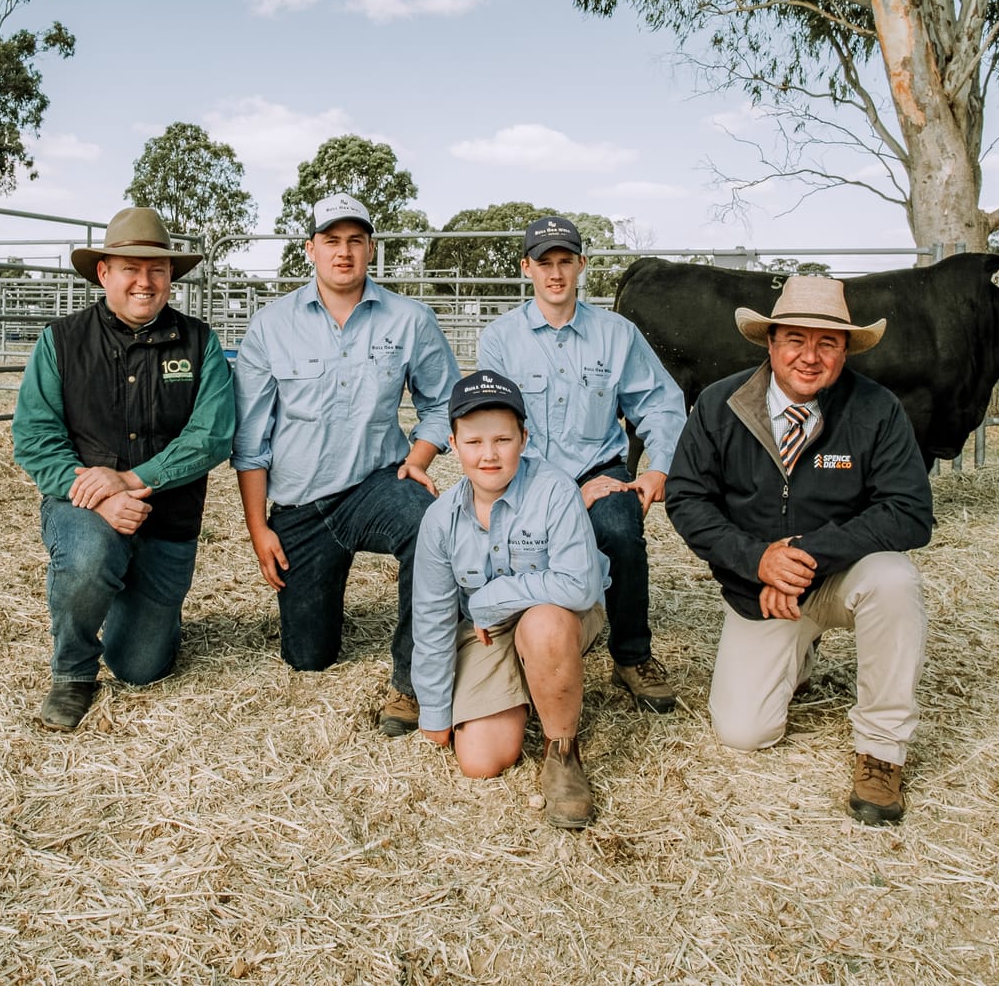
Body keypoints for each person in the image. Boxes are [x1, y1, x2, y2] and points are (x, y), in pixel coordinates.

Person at [665, 275, 934, 824]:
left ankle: (882, 751)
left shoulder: (876, 409)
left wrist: (805, 555)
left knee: (894, 579)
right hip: (762, 590)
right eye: (795, 339)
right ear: (770, 342)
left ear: (845, 349)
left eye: (827, 343)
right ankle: (799, 653)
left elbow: (910, 511)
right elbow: (686, 499)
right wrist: (756, 563)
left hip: (840, 578)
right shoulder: (720, 405)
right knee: (744, 732)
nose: (809, 357)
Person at [232, 193, 462, 735]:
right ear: (309, 249)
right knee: (309, 657)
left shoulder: (409, 319)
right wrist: (257, 526)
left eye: (355, 241)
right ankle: (320, 602)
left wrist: (419, 458)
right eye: (331, 241)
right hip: (298, 505)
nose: (343, 252)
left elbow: (443, 404)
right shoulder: (271, 326)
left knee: (432, 523)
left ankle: (413, 684)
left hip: (375, 484)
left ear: (371, 249)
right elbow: (251, 438)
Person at [12, 206, 236, 732]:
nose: (145, 281)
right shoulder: (62, 341)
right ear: (103, 272)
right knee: (90, 554)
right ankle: (72, 673)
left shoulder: (200, 343)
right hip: (84, 508)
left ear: (171, 279)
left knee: (141, 668)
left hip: (168, 522)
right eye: (130, 268)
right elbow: (35, 437)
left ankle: (142, 611)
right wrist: (99, 495)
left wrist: (131, 481)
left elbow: (213, 435)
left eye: (157, 270)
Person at [474, 215, 687, 712]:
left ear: (581, 266)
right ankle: (514, 641)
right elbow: (496, 429)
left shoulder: (616, 334)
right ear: (526, 267)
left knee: (619, 524)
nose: (555, 273)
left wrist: (658, 468)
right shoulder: (501, 339)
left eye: (564, 261)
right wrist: (563, 494)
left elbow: (659, 402)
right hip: (523, 475)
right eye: (544, 262)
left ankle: (632, 655)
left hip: (598, 467)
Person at [411, 370, 610, 828]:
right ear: (453, 443)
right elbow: (433, 617)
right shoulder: (441, 519)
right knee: (479, 761)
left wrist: (491, 597)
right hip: (492, 633)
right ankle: (530, 680)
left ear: (524, 437)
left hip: (561, 616)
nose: (489, 455)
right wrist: (436, 709)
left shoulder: (555, 490)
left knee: (543, 626)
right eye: (474, 442)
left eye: (502, 439)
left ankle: (562, 753)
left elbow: (580, 586)